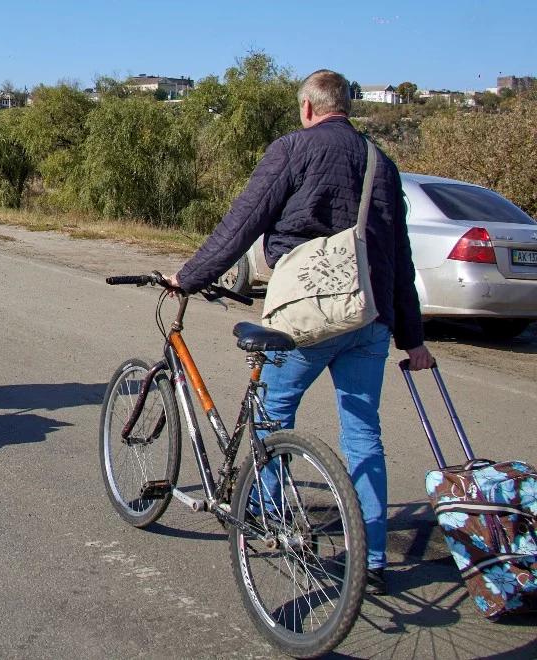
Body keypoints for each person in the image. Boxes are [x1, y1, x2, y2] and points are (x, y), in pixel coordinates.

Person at [169, 69, 435, 596]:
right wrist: (412, 337)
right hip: (370, 315)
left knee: (272, 410)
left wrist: (189, 277)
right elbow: (397, 256)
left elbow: (242, 222)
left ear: (308, 108)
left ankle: (272, 519)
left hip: (308, 315)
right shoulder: (382, 164)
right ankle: (373, 559)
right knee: (362, 433)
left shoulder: (292, 149)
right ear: (347, 108)